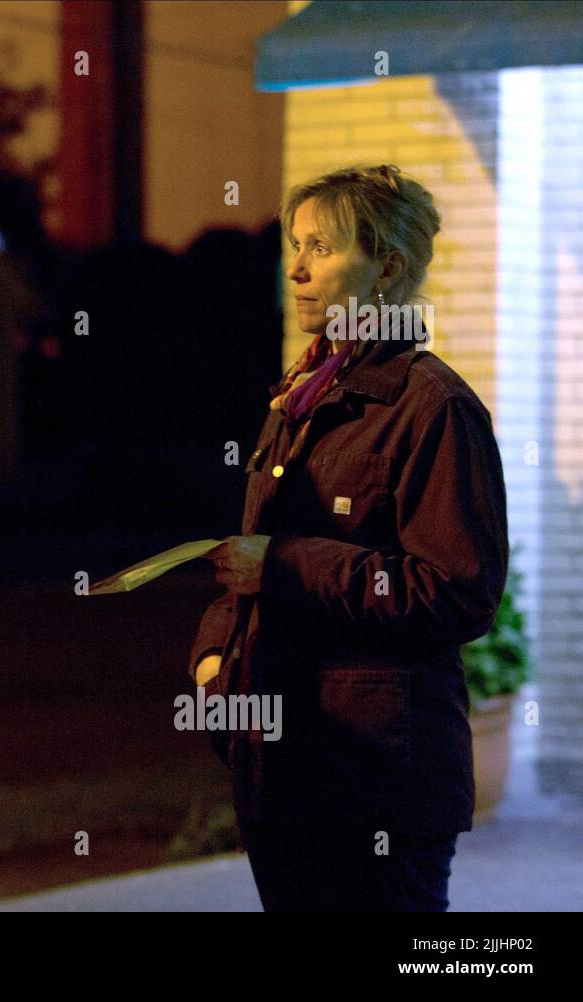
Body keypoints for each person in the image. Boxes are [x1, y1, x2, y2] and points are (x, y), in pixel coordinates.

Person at [190, 164, 509, 911]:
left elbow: (456, 594)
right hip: (283, 772)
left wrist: (290, 566)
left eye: (322, 249)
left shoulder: (433, 408)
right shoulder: (300, 399)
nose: (295, 269)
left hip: (376, 786)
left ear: (388, 268)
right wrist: (214, 653)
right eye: (294, 246)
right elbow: (253, 557)